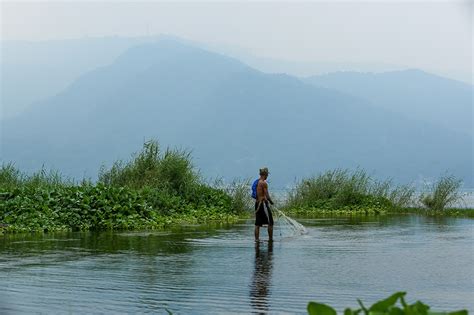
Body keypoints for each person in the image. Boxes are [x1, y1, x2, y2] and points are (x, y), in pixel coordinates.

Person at [255, 167, 274, 241]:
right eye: (267, 175)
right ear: (265, 174)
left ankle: (256, 240)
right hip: (263, 205)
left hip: (257, 204)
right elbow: (267, 195)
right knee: (270, 223)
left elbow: (259, 194)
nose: (267, 176)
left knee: (257, 224)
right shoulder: (263, 183)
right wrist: (271, 202)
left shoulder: (257, 182)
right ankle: (270, 239)